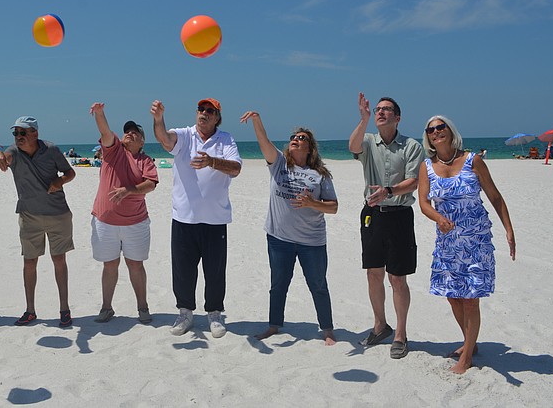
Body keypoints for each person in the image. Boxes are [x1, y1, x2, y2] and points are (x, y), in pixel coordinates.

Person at [418, 115, 516, 374]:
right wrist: (438, 218)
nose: (437, 132)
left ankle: (467, 356)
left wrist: (509, 229)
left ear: (451, 131)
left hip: (476, 241)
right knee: (453, 297)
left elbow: (495, 196)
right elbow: (424, 202)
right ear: (427, 136)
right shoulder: (426, 166)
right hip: (447, 243)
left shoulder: (474, 161)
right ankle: (469, 343)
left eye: (441, 127)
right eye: (431, 129)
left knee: (471, 299)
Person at [241, 111, 338, 344]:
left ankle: (327, 330)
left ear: (310, 147)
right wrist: (257, 120)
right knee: (278, 284)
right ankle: (274, 325)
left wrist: (312, 203)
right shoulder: (279, 164)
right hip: (279, 239)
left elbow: (333, 207)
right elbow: (264, 141)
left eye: (302, 137)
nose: (296, 139)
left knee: (318, 285)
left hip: (312, 242)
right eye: (293, 136)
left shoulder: (319, 175)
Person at [151, 98, 242, 338]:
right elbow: (164, 139)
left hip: (215, 220)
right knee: (183, 270)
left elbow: (235, 168)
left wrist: (211, 161)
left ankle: (214, 314)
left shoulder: (226, 139)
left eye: (210, 111)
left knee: (215, 271)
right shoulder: (185, 135)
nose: (204, 113)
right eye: (201, 109)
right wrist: (158, 119)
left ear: (217, 117)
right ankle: (185, 313)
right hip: (184, 218)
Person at [349, 93, 423, 359]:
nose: (381, 112)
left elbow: (414, 181)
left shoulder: (412, 146)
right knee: (373, 273)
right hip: (372, 215)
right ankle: (380, 325)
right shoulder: (369, 141)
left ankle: (401, 333)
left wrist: (389, 190)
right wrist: (363, 119)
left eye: (386, 109)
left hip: (400, 215)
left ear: (398, 117)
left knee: (397, 278)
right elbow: (353, 147)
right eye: (378, 109)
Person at [0, 116, 76, 327]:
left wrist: (60, 181)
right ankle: (30, 310)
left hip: (58, 214)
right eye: (16, 133)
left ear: (35, 133)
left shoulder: (51, 149)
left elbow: (70, 172)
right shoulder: (14, 152)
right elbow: (3, 155)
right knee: (29, 262)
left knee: (59, 260)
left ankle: (65, 309)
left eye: (23, 133)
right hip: (29, 216)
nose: (18, 137)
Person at [89, 103, 158, 324]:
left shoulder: (145, 160)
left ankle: (143, 307)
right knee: (109, 265)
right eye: (127, 131)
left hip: (135, 222)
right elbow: (105, 132)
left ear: (142, 141)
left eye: (134, 132)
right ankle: (106, 307)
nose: (129, 133)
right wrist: (100, 114)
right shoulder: (114, 150)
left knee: (135, 265)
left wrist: (129, 190)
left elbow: (151, 184)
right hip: (105, 221)